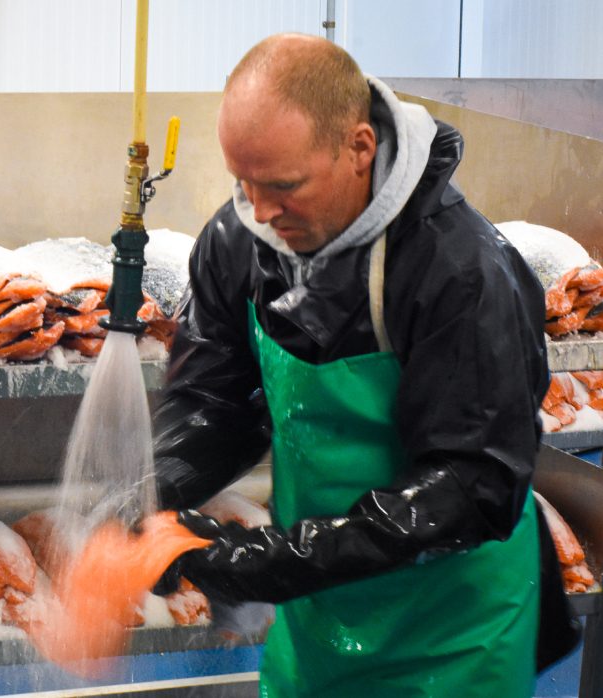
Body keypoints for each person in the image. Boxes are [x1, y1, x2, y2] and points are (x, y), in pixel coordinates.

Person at [152, 33, 580, 697]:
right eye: (242, 182)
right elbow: (216, 401)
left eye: (284, 185)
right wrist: (155, 494)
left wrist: (266, 562)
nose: (260, 211)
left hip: (454, 631)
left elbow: (468, 487)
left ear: (359, 147)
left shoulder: (458, 270)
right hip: (324, 614)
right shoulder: (242, 238)